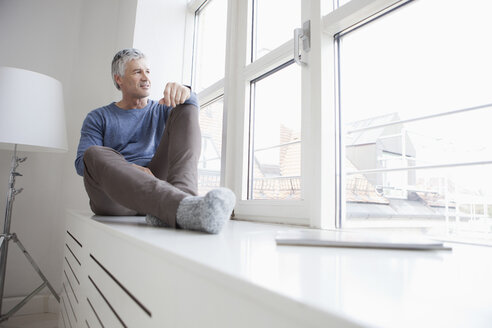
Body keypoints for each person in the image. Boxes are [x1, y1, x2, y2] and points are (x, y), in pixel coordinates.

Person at [75, 48, 235, 234]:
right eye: (137, 72)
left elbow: (190, 107)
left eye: (148, 71)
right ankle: (177, 206)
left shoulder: (162, 109)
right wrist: (131, 170)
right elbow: (81, 165)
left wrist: (187, 93)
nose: (146, 78)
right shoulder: (98, 117)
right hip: (116, 197)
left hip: (159, 182)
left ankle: (185, 203)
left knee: (186, 106)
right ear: (118, 79)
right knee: (92, 153)